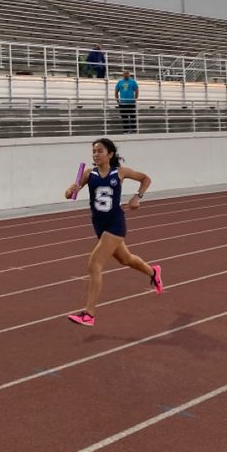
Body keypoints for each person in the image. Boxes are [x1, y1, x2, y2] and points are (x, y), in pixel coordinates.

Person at [64, 137, 161, 326]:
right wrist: (71, 189)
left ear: (110, 154)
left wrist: (137, 197)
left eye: (100, 151)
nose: (96, 154)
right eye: (93, 151)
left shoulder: (120, 172)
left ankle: (89, 314)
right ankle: (153, 272)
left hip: (115, 224)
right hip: (99, 225)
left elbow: (145, 179)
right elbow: (69, 195)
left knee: (94, 264)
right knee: (126, 259)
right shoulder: (88, 174)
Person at [115, 69, 139, 133]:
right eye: (125, 73)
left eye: (127, 73)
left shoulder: (133, 82)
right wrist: (117, 100)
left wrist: (135, 99)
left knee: (132, 116)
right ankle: (126, 130)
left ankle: (133, 130)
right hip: (122, 103)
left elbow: (136, 90)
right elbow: (116, 91)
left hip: (131, 103)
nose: (126, 75)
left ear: (129, 75)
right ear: (123, 74)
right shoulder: (120, 82)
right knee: (124, 117)